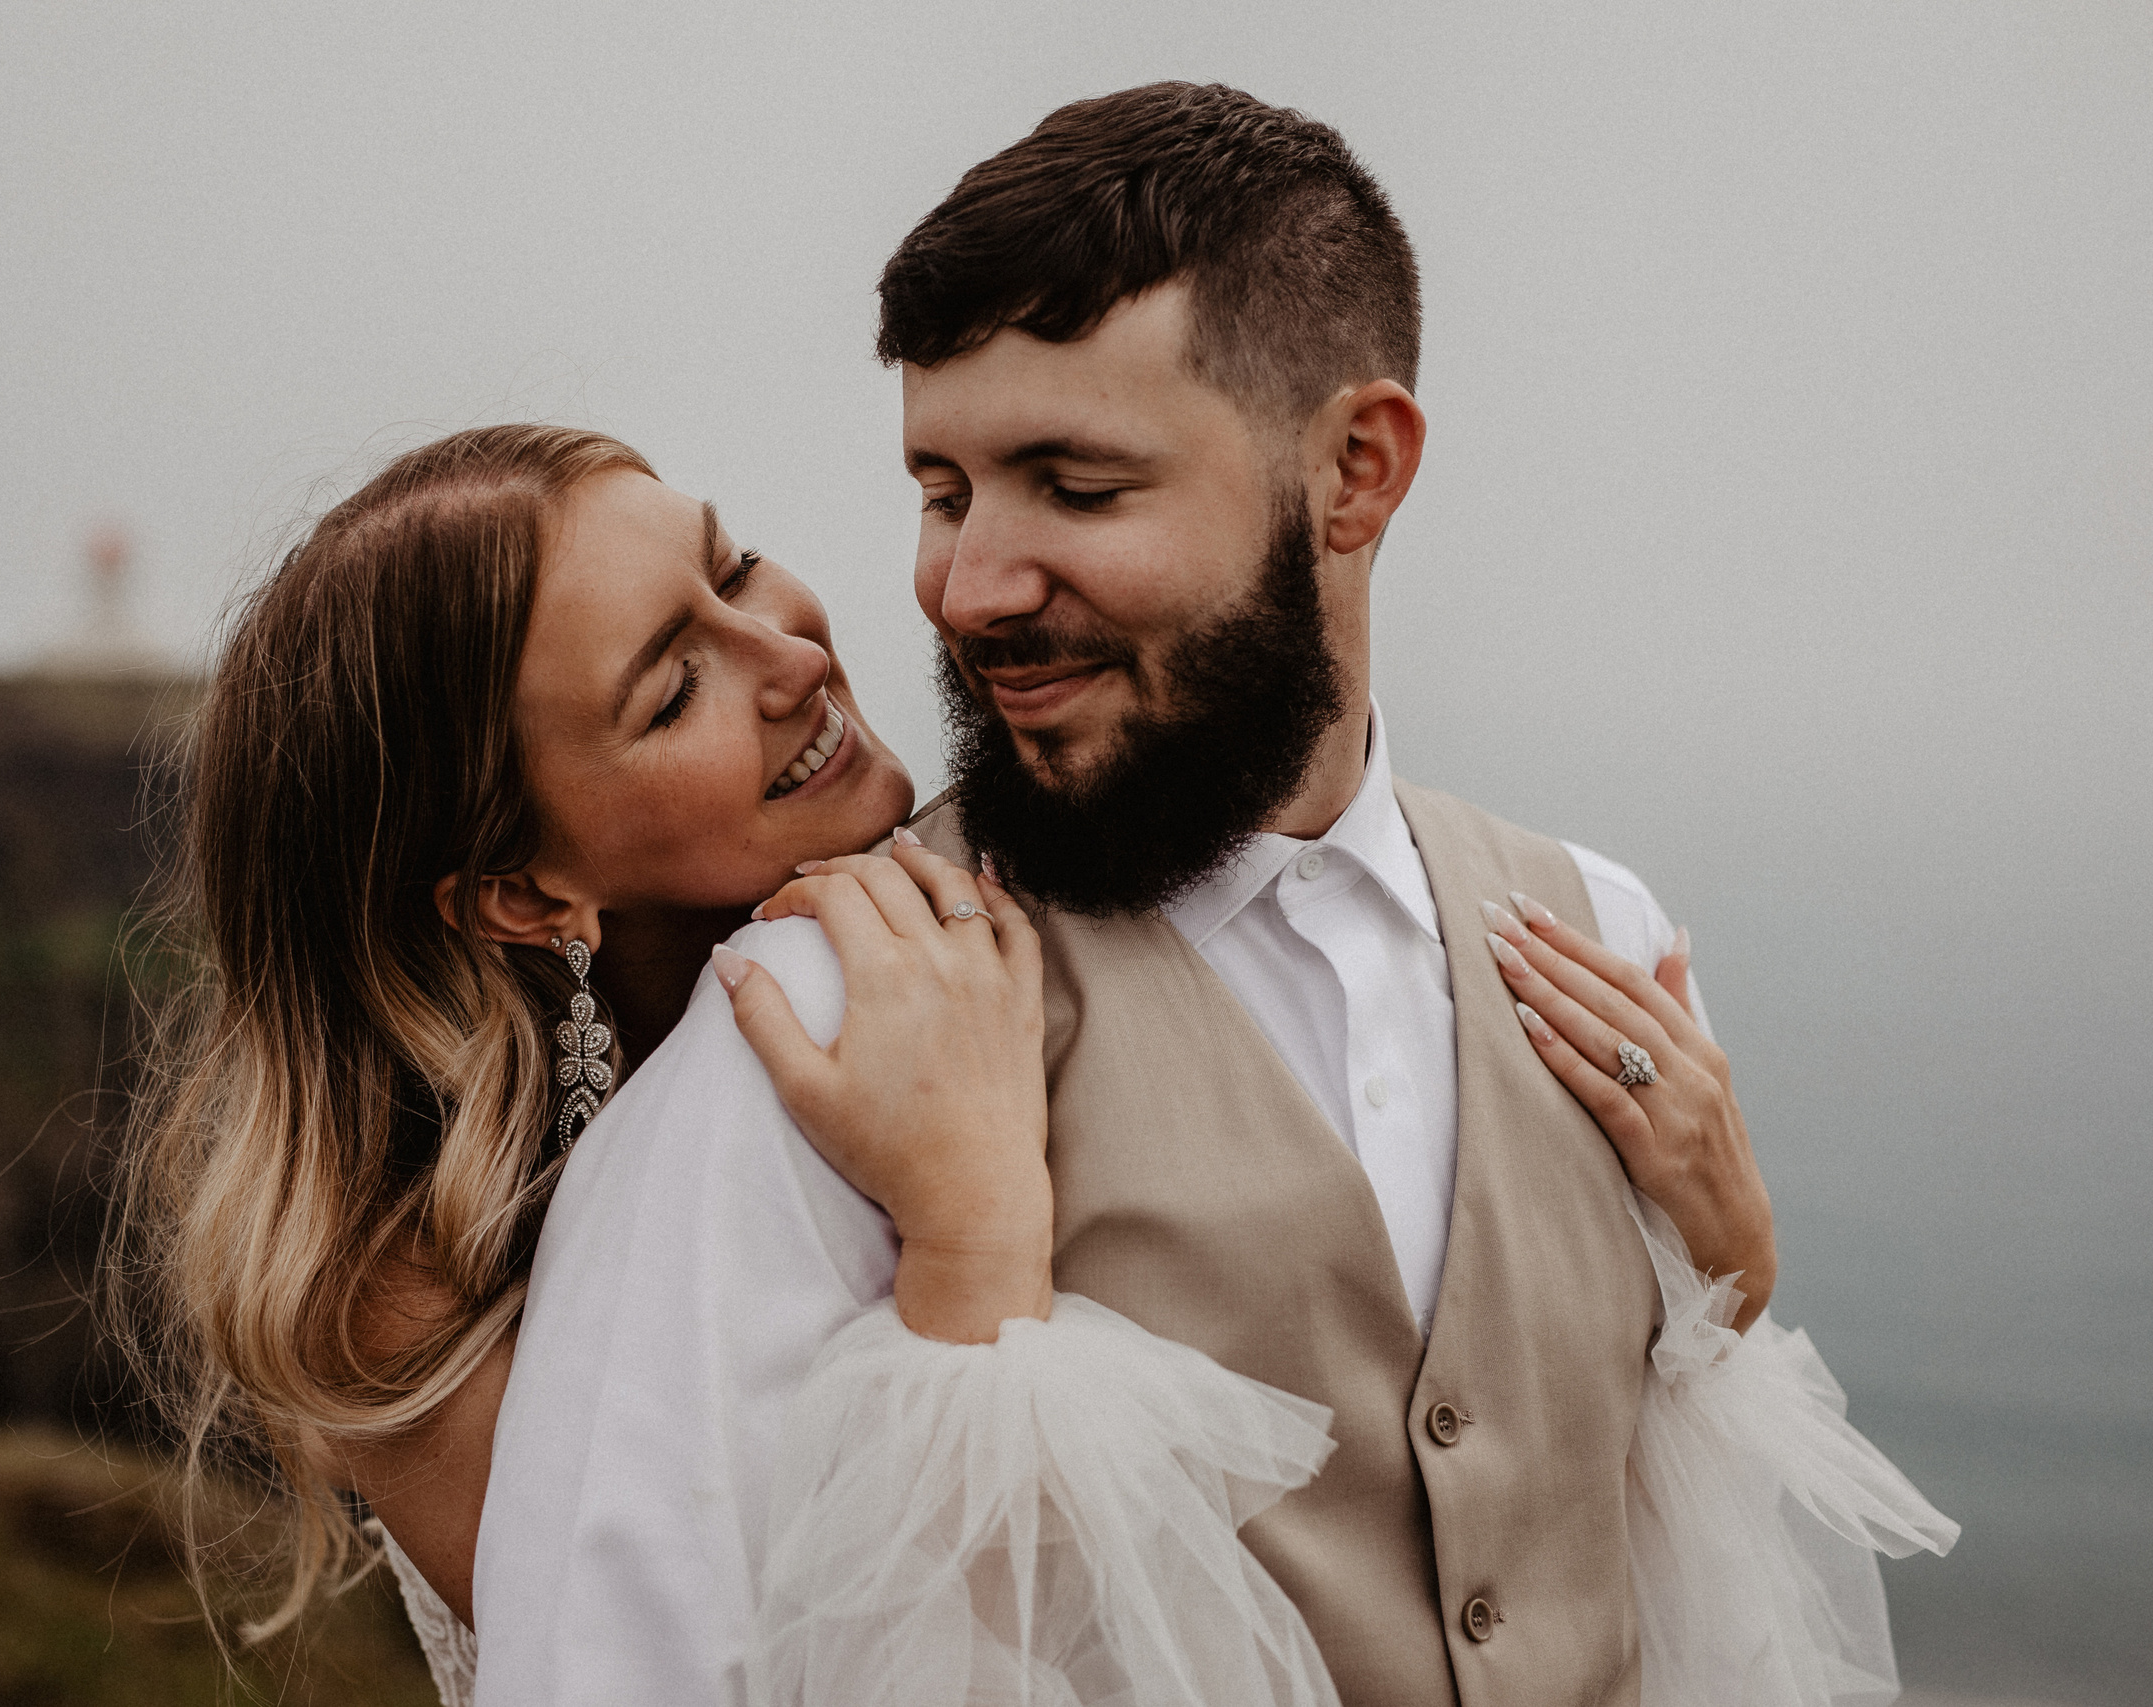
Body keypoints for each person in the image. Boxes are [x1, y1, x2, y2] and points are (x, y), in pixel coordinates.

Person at [475, 83, 1957, 1707]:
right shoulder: (818, 1021)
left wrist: (1729, 1278)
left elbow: (1701, 1610)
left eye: (1078, 486)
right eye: (945, 488)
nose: (971, 590)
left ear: (1356, 472)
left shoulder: (1605, 942)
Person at [107, 421, 1343, 1706]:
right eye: (673, 690)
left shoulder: (961, 916)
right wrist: (972, 1234)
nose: (793, 655)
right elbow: (729, 1658)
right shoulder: (402, 1286)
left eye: (734, 567)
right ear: (522, 896)